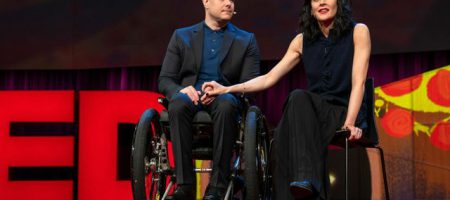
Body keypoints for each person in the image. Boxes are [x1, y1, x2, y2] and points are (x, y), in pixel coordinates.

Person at [202, 0, 370, 199]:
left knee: (298, 98)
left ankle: (306, 181)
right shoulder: (301, 41)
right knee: (280, 139)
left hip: (344, 113)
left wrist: (350, 122)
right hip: (311, 117)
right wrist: (226, 89)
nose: (322, 2)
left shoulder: (358, 31)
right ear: (310, 6)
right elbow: (269, 78)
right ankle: (299, 189)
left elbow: (358, 83)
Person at [158, 0, 260, 199]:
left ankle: (217, 187)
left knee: (226, 105)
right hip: (191, 96)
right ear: (206, 2)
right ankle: (185, 185)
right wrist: (181, 90)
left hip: (226, 97)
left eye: (231, 0)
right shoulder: (182, 36)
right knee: (177, 104)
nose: (229, 3)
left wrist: (224, 91)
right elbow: (165, 79)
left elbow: (251, 85)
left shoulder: (246, 40)